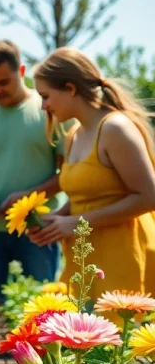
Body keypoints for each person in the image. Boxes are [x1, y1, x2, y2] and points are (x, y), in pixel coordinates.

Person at [27, 47, 155, 297]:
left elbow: (149, 196)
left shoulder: (115, 128)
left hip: (125, 257)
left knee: (122, 334)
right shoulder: (73, 134)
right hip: (86, 259)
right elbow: (83, 199)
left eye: (45, 96)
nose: (43, 106)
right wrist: (55, 221)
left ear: (70, 89)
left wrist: (76, 223)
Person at [0, 40, 63, 315]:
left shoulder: (50, 111)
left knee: (43, 307)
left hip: (39, 227)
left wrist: (28, 199)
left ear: (21, 70)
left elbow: (67, 174)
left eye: (3, 82)